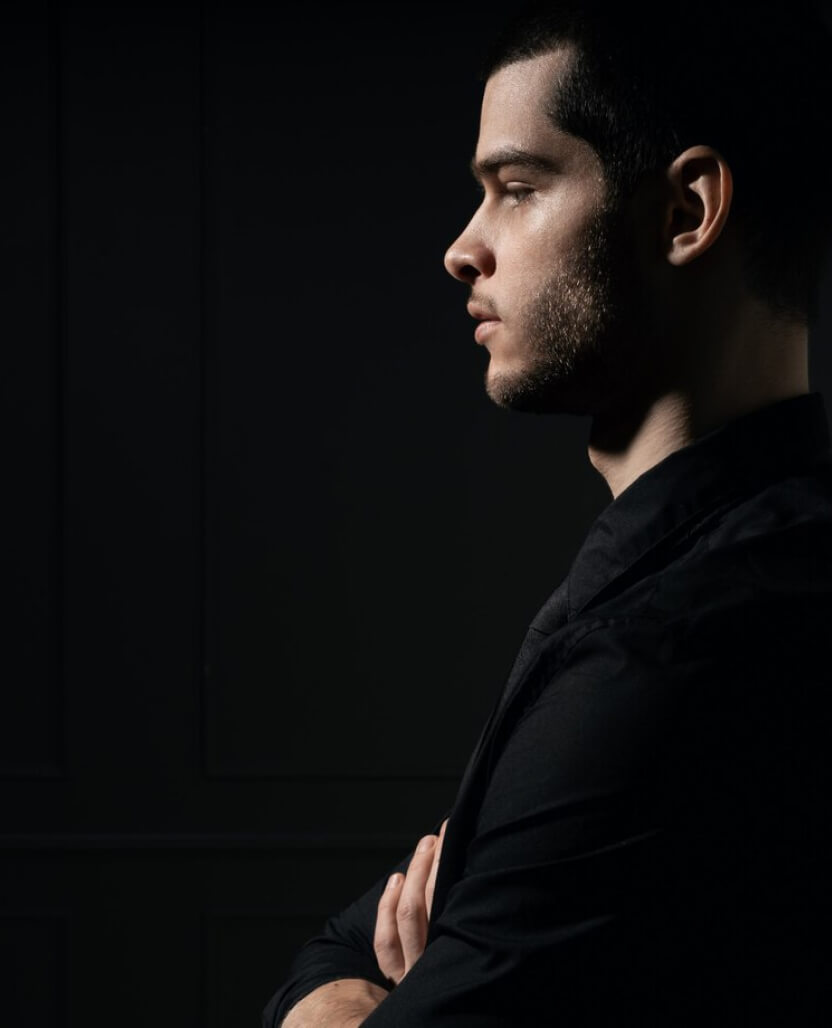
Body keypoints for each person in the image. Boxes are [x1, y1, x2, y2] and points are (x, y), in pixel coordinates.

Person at [264, 2, 832, 1024]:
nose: (461, 248)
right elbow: (348, 940)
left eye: (517, 188)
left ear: (685, 212)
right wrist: (343, 988)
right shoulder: (693, 575)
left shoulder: (672, 650)